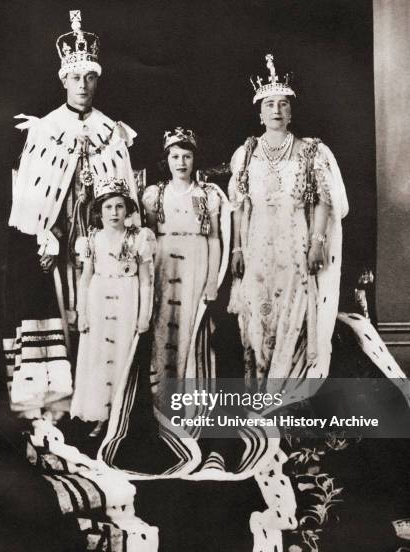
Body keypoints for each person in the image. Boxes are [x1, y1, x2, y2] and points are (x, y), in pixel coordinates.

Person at [3, 10, 138, 419]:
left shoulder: (110, 131)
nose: (83, 85)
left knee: (99, 315)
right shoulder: (44, 130)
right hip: (58, 240)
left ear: (98, 80)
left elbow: (126, 195)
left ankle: (97, 405)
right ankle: (60, 404)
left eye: (90, 77)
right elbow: (30, 197)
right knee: (62, 313)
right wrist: (46, 234)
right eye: (75, 78)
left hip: (101, 241)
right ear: (63, 80)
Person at [228, 54, 349, 392]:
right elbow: (240, 205)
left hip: (296, 244)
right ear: (260, 111)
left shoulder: (311, 151)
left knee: (293, 314)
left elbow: (323, 201)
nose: (277, 110)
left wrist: (317, 243)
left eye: (283, 104)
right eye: (270, 104)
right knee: (258, 316)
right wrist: (238, 247)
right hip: (258, 245)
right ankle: (259, 393)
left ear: (291, 111)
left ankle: (286, 395)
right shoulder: (247, 152)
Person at [142, 127, 229, 418]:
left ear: (194, 159)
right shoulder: (155, 194)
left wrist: (211, 282)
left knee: (192, 331)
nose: (181, 163)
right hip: (164, 268)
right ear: (166, 159)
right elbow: (150, 236)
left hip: (196, 265)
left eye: (187, 156)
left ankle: (192, 406)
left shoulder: (208, 195)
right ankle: (161, 403)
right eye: (175, 156)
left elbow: (215, 238)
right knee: (164, 329)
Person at [71, 178, 156, 436]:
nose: (114, 213)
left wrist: (144, 316)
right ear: (100, 211)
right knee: (97, 357)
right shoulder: (92, 239)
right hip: (98, 299)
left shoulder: (139, 237)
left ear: (128, 210)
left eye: (119, 207)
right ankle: (100, 415)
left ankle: (121, 416)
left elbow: (146, 280)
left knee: (122, 356)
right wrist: (81, 313)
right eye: (108, 207)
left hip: (126, 300)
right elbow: (85, 278)